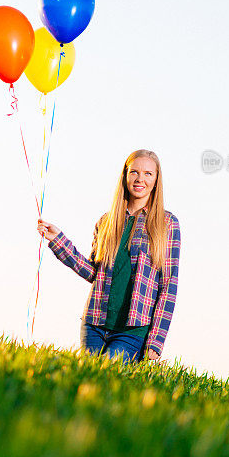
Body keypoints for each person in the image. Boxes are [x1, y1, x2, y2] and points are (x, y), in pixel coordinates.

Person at [37, 149, 181, 364]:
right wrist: (58, 240)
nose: (140, 179)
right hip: (95, 323)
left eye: (148, 174)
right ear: (125, 175)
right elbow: (94, 272)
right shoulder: (106, 222)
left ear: (156, 180)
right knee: (88, 383)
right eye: (134, 172)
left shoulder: (167, 223)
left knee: (107, 371)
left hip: (134, 331)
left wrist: (156, 341)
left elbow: (168, 285)